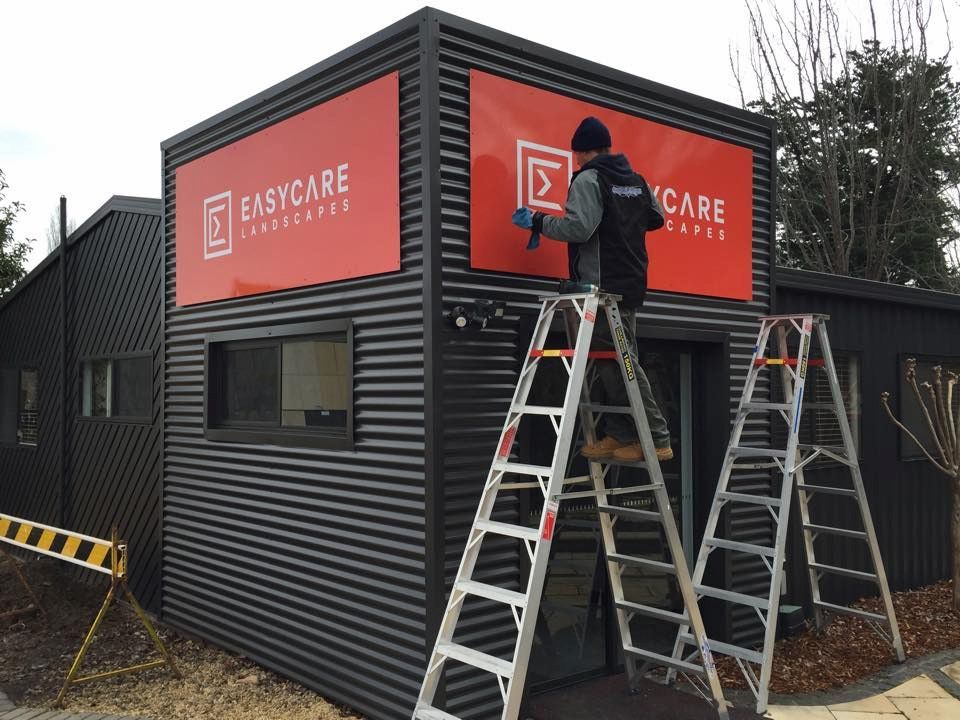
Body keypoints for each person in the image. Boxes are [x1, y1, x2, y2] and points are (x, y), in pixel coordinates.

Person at [511, 116, 672, 463]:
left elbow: (580, 228)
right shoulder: (636, 180)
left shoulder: (589, 178)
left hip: (601, 286)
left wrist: (538, 220)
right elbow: (656, 218)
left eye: (577, 154)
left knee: (624, 363)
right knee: (614, 362)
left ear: (585, 151)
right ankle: (621, 432)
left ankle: (657, 438)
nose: (576, 161)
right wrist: (623, 222)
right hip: (629, 281)